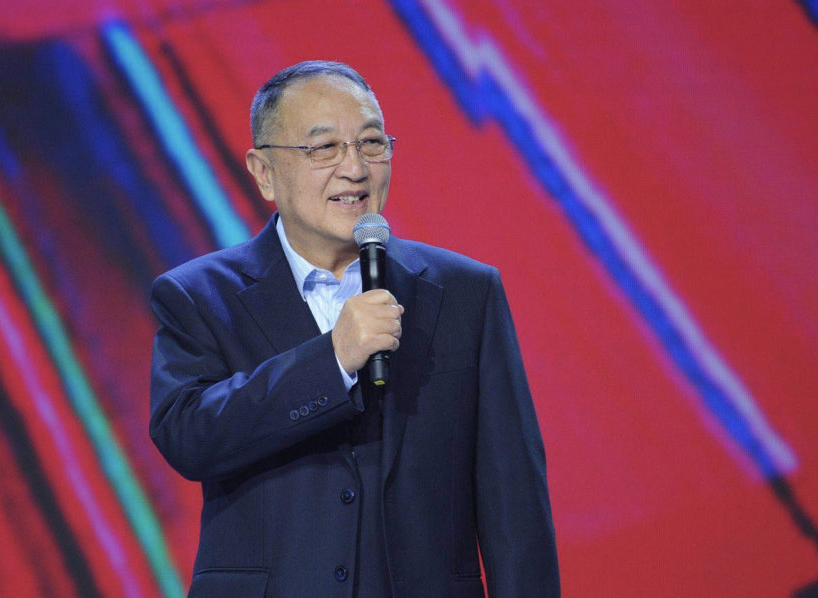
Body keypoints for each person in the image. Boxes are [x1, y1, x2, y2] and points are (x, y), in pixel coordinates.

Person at [149, 60, 559, 598]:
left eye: (371, 143)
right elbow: (188, 438)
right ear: (263, 171)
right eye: (324, 148)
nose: (356, 168)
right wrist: (332, 360)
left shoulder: (465, 291)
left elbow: (514, 501)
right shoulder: (200, 296)